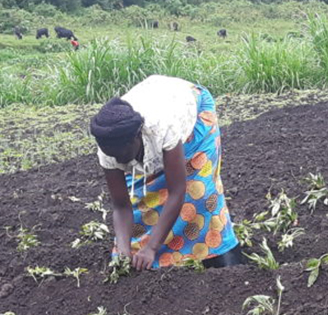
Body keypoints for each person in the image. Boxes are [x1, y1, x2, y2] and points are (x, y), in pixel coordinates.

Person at [90, 75, 241, 271]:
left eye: (122, 156)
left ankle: (224, 261)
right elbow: (121, 206)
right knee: (143, 204)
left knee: (199, 192)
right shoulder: (109, 147)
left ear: (137, 138)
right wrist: (123, 249)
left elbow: (177, 191)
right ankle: (155, 263)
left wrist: (151, 248)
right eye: (114, 157)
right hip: (155, 109)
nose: (119, 162)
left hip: (190, 111)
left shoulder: (162, 128)